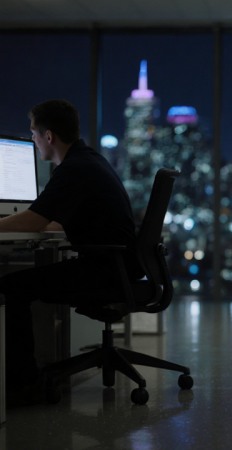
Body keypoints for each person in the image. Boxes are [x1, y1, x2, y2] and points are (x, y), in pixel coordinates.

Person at [0, 99, 143, 408]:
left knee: (11, 287)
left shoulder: (74, 168)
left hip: (104, 272)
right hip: (115, 266)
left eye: (34, 134)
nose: (34, 141)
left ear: (48, 136)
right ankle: (27, 377)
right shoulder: (88, 161)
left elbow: (36, 220)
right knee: (23, 283)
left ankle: (23, 385)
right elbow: (53, 221)